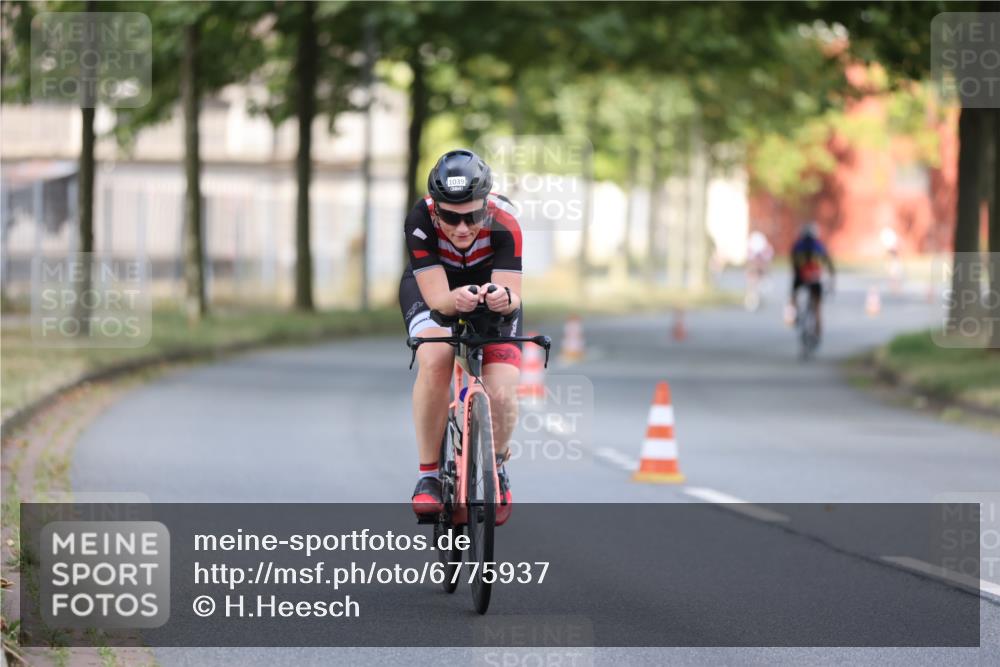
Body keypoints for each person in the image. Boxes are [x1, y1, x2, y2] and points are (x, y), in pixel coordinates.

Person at [399, 149, 523, 524]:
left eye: (473, 215)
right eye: (451, 217)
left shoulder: (506, 221)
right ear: (435, 208)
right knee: (436, 359)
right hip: (434, 287)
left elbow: (512, 293)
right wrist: (455, 301)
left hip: (490, 287)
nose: (463, 228)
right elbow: (438, 300)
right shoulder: (420, 220)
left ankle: (496, 467)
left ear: (487, 205)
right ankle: (429, 477)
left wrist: (501, 299)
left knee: (502, 388)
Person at [789, 222, 835, 337]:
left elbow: (793, 261)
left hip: (801, 276)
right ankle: (818, 331)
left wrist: (797, 272)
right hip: (815, 278)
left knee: (794, 295)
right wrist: (832, 281)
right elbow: (829, 264)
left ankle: (796, 314)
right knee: (817, 307)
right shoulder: (819, 245)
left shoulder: (798, 244)